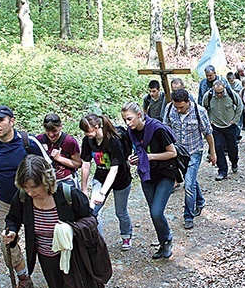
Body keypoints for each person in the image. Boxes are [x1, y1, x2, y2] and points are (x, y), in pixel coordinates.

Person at [3, 155, 103, 288]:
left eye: (34, 187)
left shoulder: (68, 195)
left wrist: (69, 229)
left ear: (45, 182)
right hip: (47, 259)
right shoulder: (23, 198)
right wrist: (11, 231)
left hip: (74, 257)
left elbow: (91, 220)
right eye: (26, 187)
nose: (31, 192)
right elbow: (12, 218)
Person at [0, 105, 50, 288]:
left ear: (12, 121)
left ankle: (60, 270)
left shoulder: (29, 143)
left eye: (0, 121)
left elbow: (48, 169)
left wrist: (52, 196)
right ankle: (24, 278)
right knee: (6, 240)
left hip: (31, 199)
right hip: (5, 201)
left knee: (45, 235)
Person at [121, 102, 178, 258]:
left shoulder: (157, 129)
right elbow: (138, 151)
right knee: (154, 214)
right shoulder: (131, 131)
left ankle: (167, 239)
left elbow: (172, 153)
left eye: (130, 119)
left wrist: (149, 157)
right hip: (147, 175)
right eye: (125, 120)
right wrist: (134, 159)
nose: (128, 123)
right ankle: (163, 243)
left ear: (139, 115)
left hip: (165, 173)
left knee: (156, 212)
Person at [79, 114, 133, 250]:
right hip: (101, 177)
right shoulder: (88, 140)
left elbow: (115, 169)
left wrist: (102, 193)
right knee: (94, 211)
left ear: (96, 127)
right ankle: (99, 243)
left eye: (88, 131)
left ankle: (126, 235)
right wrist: (84, 188)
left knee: (120, 211)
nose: (86, 134)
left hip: (121, 178)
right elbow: (86, 164)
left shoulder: (113, 140)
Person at [166, 89, 217, 229]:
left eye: (181, 107)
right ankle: (200, 201)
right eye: (176, 107)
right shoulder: (169, 109)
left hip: (194, 151)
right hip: (177, 153)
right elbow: (166, 129)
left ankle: (188, 215)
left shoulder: (199, 111)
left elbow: (208, 132)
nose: (178, 110)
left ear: (188, 101)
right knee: (191, 179)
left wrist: (212, 152)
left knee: (188, 184)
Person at [202, 80, 243, 181]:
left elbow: (240, 106)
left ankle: (234, 162)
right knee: (218, 148)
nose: (219, 94)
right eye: (217, 92)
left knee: (232, 147)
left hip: (230, 126)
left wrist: (235, 120)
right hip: (216, 127)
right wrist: (208, 121)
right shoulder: (208, 96)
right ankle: (222, 170)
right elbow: (203, 109)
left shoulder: (231, 94)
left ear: (224, 87)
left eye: (221, 92)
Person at [37, 113, 82, 187]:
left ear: (60, 126)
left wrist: (59, 158)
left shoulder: (69, 141)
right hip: (46, 181)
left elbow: (78, 164)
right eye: (48, 131)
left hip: (66, 180)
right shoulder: (40, 139)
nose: (51, 134)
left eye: (54, 131)